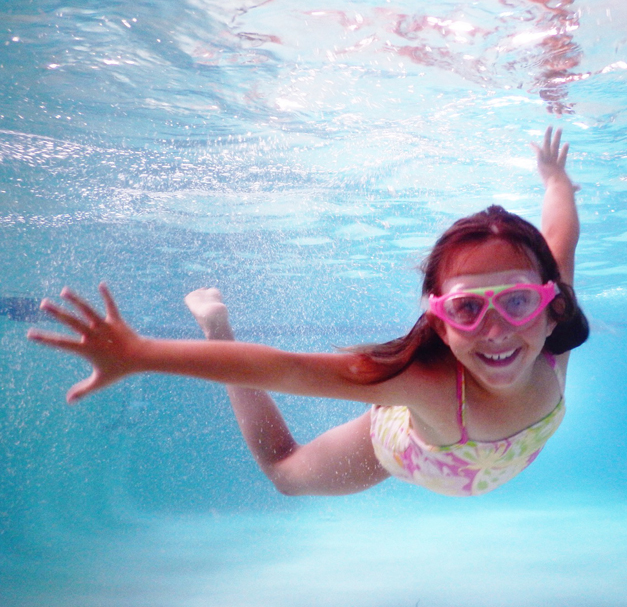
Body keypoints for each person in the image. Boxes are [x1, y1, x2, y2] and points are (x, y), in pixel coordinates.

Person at [28, 127, 587, 497]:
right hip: (404, 449)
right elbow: (288, 368)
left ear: (551, 305)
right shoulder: (427, 384)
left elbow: (560, 235)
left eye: (517, 301)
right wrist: (141, 353)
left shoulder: (555, 332)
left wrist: (556, 179)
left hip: (463, 452)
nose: (497, 329)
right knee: (284, 473)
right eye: (467, 308)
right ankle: (218, 328)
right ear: (440, 322)